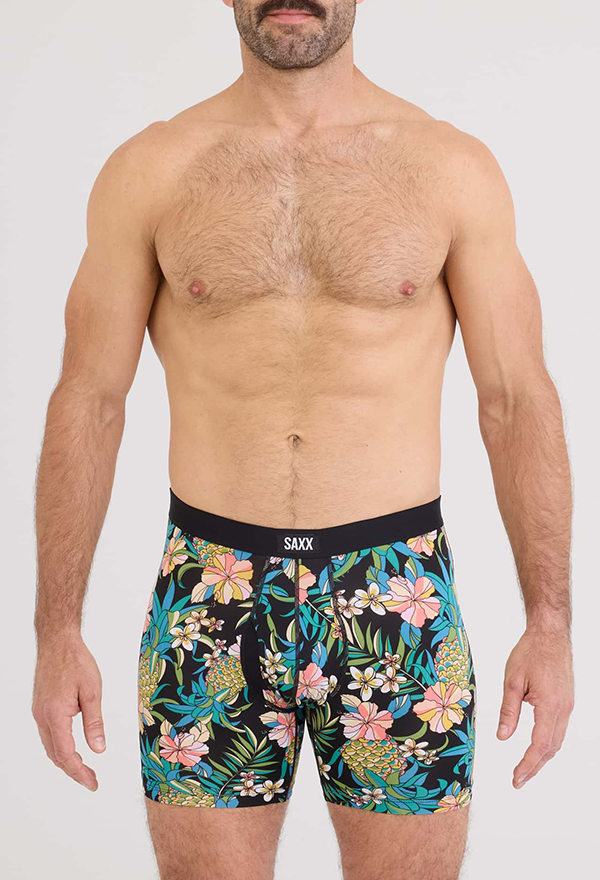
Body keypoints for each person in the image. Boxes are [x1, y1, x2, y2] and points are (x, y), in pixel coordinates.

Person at [31, 2, 575, 878]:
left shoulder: (448, 168)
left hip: (395, 589)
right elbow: (89, 400)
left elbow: (516, 400)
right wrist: (56, 630)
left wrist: (549, 622)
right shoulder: (153, 170)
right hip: (210, 590)